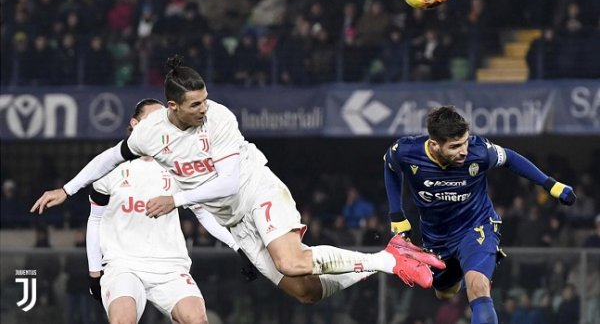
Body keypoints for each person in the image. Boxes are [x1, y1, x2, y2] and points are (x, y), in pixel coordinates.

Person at [31, 56, 445, 305]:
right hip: (235, 222)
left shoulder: (221, 118)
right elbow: (110, 156)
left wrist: (177, 200)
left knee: (291, 261)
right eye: (195, 104)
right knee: (307, 292)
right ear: (172, 107)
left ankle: (391, 260)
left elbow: (227, 184)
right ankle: (387, 258)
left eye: (206, 99)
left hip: (254, 190)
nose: (203, 107)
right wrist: (67, 189)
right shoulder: (149, 133)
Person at [383, 105, 576, 324]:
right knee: (444, 293)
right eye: (455, 146)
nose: (463, 150)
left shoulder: (480, 151)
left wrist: (550, 185)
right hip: (437, 237)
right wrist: (396, 214)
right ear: (434, 145)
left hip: (477, 226)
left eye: (465, 141)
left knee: (478, 286)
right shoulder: (407, 151)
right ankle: (456, 271)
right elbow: (390, 166)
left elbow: (510, 158)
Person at [83, 98, 236, 324]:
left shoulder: (179, 166)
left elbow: (203, 214)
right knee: (122, 320)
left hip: (169, 266)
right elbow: (94, 220)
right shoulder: (110, 167)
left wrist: (237, 245)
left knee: (196, 319)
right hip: (123, 265)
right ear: (134, 124)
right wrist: (94, 273)